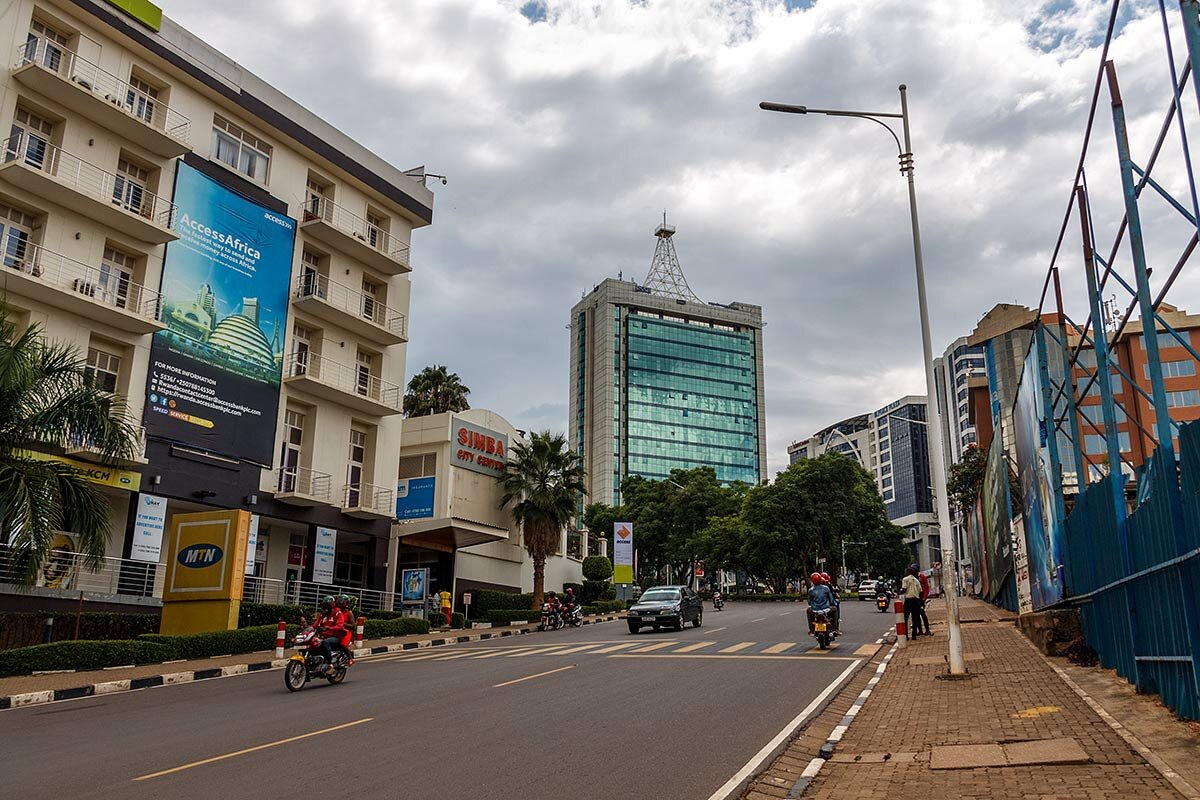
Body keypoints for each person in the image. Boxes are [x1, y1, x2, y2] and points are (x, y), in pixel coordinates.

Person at [315, 595, 348, 675]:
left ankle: (329, 664)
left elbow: (340, 626)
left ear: (331, 605)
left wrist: (329, 628)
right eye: (324, 606)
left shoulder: (338, 613)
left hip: (335, 637)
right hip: (323, 636)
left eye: (327, 605)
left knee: (325, 642)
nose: (325, 608)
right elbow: (315, 625)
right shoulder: (323, 615)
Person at [901, 567, 923, 641]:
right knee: (915, 618)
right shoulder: (917, 581)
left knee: (905, 618)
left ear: (908, 572)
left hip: (908, 600)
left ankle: (906, 635)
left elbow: (904, 589)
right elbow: (920, 591)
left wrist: (901, 591)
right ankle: (914, 635)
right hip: (916, 600)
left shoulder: (905, 579)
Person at [915, 565, 932, 637]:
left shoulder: (922, 577)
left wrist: (924, 597)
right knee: (916, 615)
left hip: (921, 598)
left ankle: (927, 630)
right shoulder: (912, 578)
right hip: (915, 598)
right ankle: (920, 630)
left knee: (922, 613)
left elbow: (926, 587)